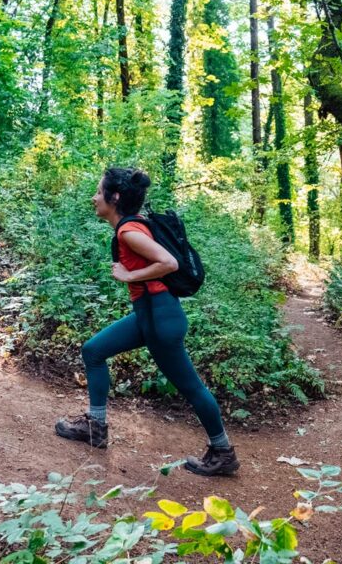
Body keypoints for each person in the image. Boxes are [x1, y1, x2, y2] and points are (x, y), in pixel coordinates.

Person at [54, 167, 239, 477]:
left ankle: (222, 451)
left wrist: (130, 275)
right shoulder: (130, 227)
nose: (94, 198)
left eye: (98, 192)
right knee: (93, 351)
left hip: (160, 318)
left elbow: (169, 262)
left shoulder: (129, 231)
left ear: (114, 197)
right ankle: (95, 427)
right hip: (149, 315)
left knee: (191, 387)